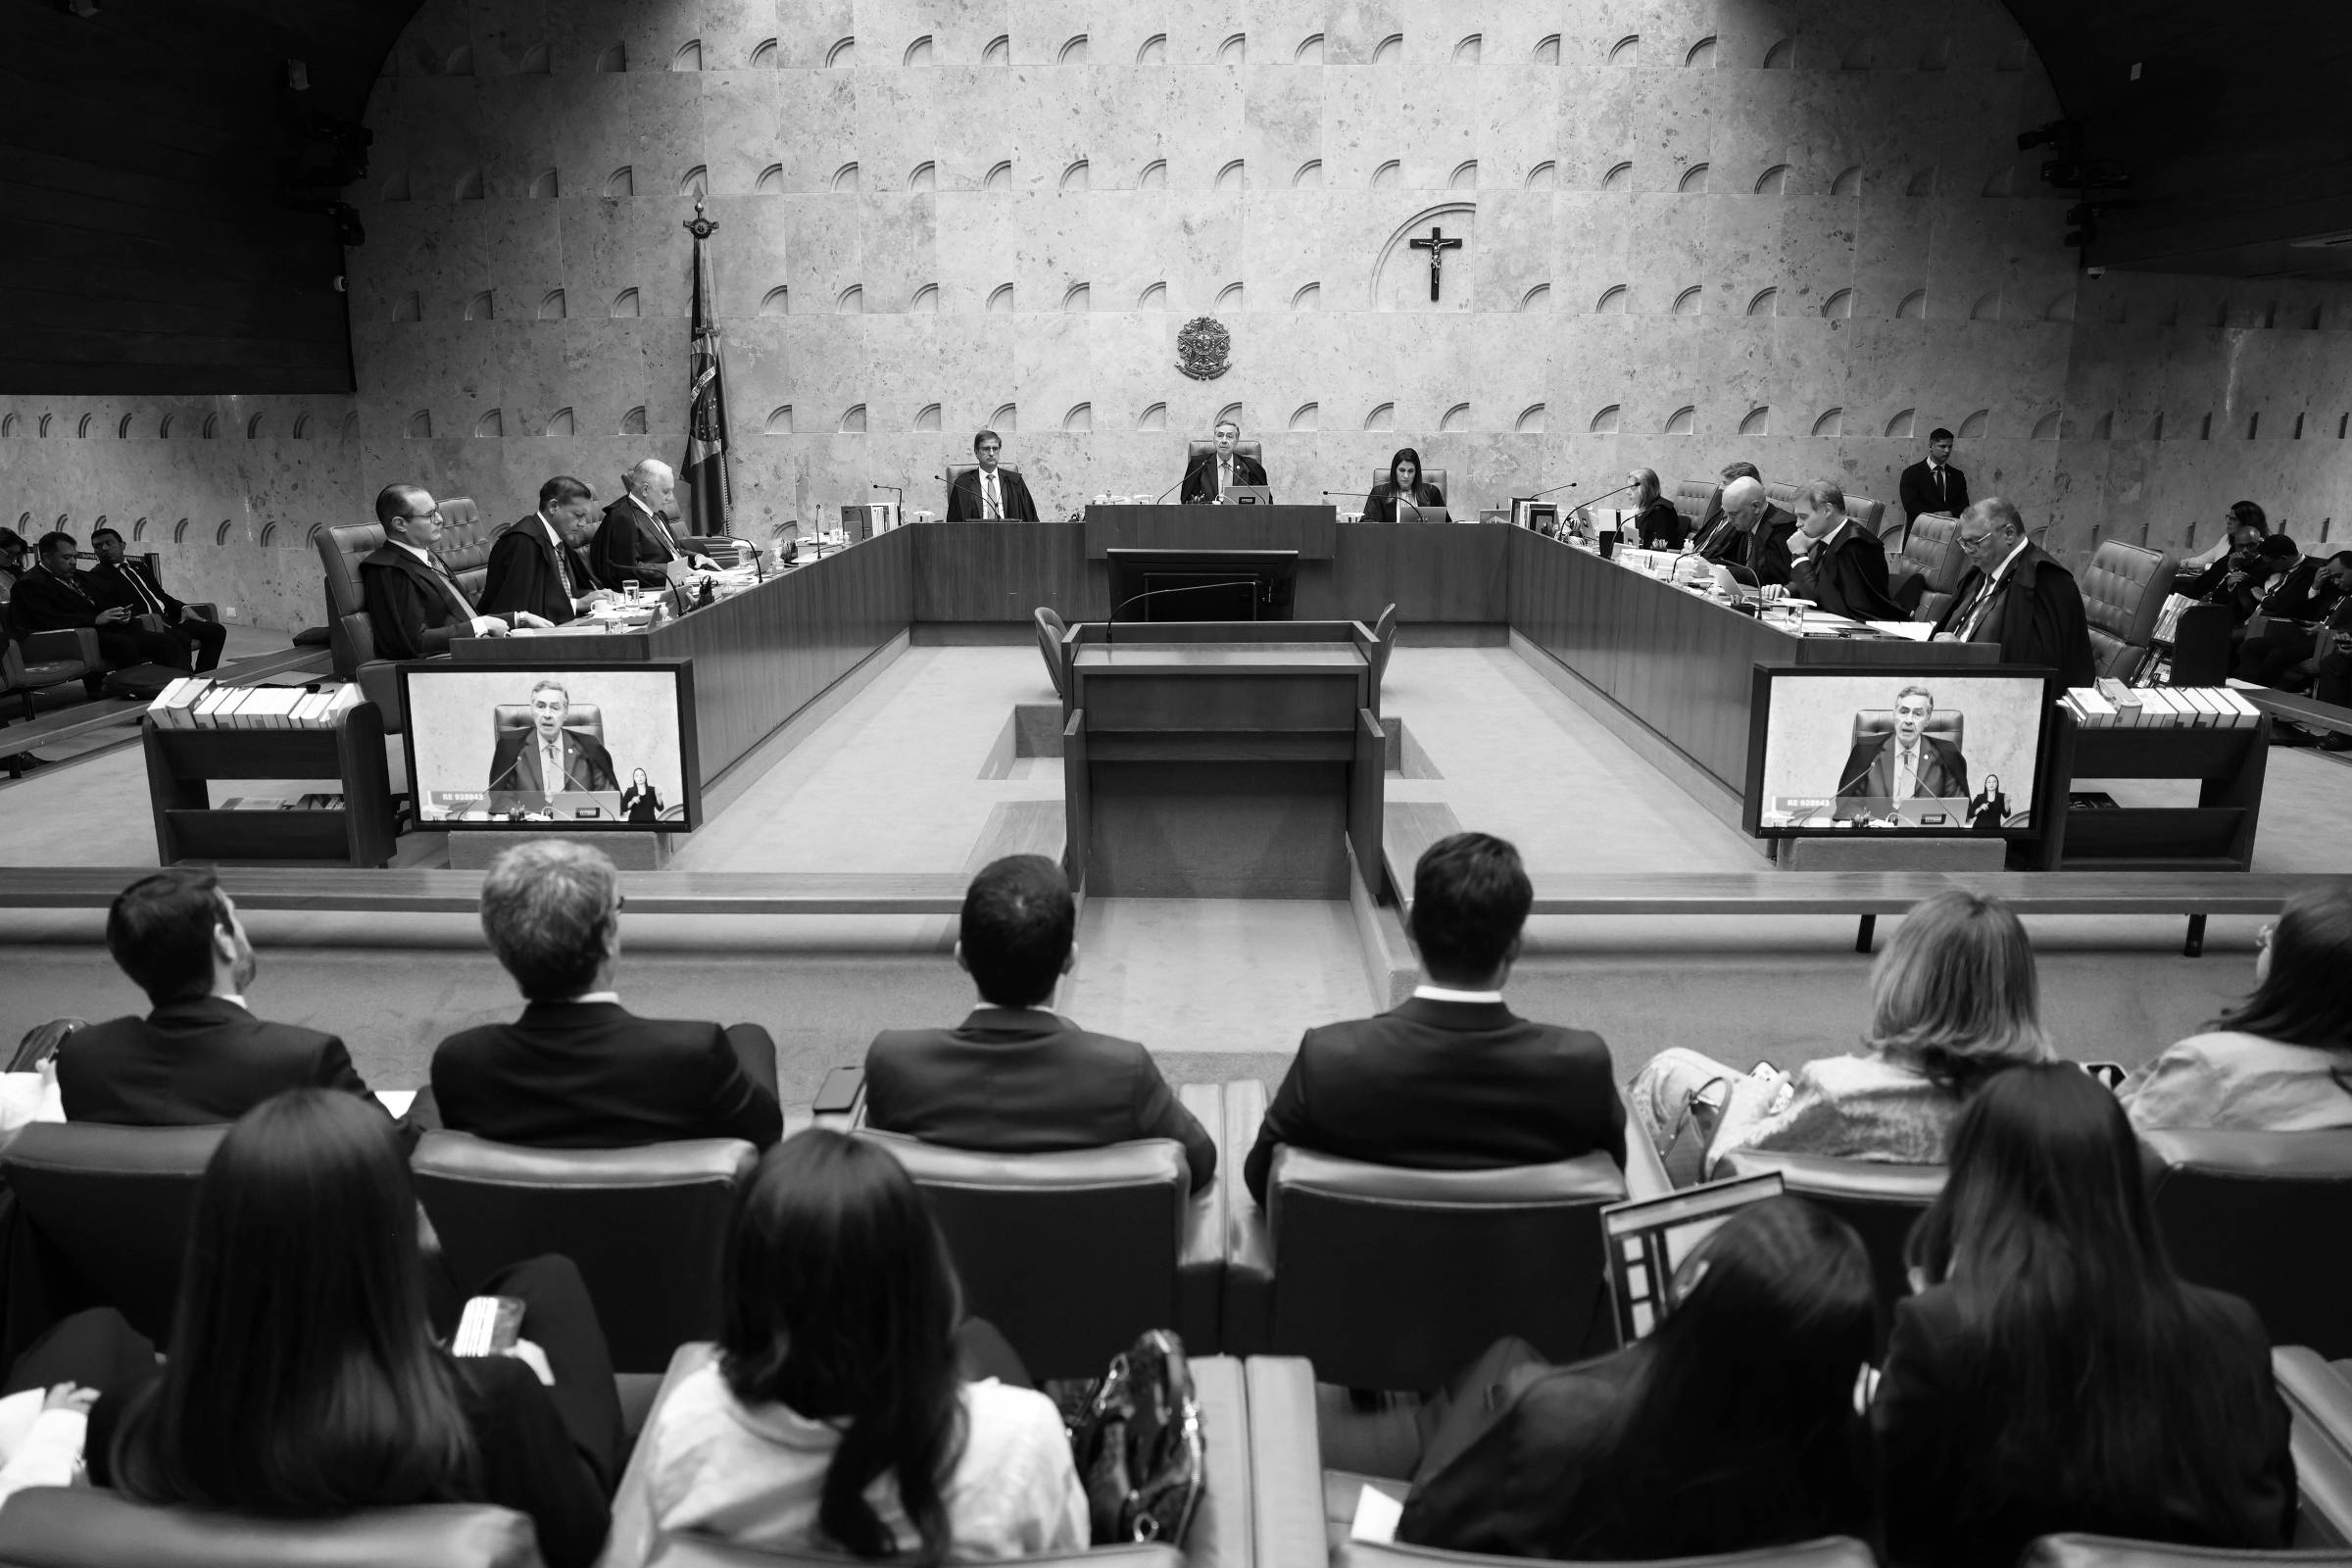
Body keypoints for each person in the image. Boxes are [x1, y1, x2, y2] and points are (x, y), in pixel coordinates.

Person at [86, 1091, 622, 1568]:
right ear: (390, 1249)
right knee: (549, 1278)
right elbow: (578, 1540)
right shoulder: (495, 1402)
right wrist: (540, 1395)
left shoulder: (126, 1420)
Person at [1873, 1063, 2294, 1567]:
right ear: (2123, 1179)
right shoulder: (2235, 1328)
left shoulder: (1940, 1329)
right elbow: (2274, 1519)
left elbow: (1891, 1523)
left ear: (1976, 1181)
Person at [617, 1130, 1087, 1565]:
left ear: (744, 1289)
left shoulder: (687, 1430)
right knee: (980, 1337)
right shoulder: (1022, 1439)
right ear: (924, 1278)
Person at [1397, 1197, 1876, 1559]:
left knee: (1502, 1365)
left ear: (1690, 1291)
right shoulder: (1852, 1474)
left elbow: (1420, 1534)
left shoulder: (1550, 1416)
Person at [1244, 831, 1626, 1204]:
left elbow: (1261, 1182)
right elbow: (1612, 1184)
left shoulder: (1327, 1058)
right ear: (1515, 946)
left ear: (1410, 927)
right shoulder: (1581, 1066)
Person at [1628, 891, 2052, 1178]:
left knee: (1667, 1073)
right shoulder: (2057, 1100)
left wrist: (1752, 1105)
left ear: (1904, 980)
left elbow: (1730, 1164)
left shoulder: (1843, 1094)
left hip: (1795, 1256)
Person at [864, 855, 1215, 1191]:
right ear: (1070, 959)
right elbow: (1200, 1162)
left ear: (960, 957)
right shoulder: (1123, 1071)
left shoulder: (893, 1062)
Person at [431, 840, 783, 1149]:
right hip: (663, 1225)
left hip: (526, 1226)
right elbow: (765, 1135)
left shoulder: (460, 1063)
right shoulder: (694, 1052)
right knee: (750, 1037)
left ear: (499, 945)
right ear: (607, 938)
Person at [55, 869, 375, 1125]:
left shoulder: (81, 1057)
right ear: (223, 941)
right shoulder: (306, 1058)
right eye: (235, 917)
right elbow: (398, 1148)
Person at [2126, 882, 2352, 1132]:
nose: (2263, 939)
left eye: (2270, 938)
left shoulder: (2211, 1066)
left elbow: (2125, 1146)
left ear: (2293, 973)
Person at [1930, 498, 2095, 688]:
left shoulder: (2047, 581)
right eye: (1964, 542)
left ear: (2008, 533)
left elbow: (2038, 667)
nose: (1967, 551)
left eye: (1975, 542)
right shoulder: (1981, 569)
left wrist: (1965, 655)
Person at [362, 486, 538, 661]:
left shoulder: (428, 557)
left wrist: (518, 618)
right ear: (400, 524)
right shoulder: (389, 569)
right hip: (447, 669)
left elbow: (460, 617)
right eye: (429, 515)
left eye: (436, 511)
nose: (439, 520)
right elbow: (413, 642)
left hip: (478, 652)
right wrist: (482, 625)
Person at [7, 531, 190, 669]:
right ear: (46, 557)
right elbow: (48, 620)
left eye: (75, 557)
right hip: (73, 636)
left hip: (105, 630)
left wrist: (119, 614)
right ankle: (137, 696)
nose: (73, 562)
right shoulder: (29, 584)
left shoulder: (80, 577)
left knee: (166, 641)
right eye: (66, 557)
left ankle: (182, 692)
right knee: (124, 645)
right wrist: (95, 619)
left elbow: (105, 600)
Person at [85, 526, 226, 673]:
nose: (104, 548)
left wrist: (183, 608)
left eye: (109, 543)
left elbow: (160, 595)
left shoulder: (139, 566)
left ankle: (204, 675)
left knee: (216, 631)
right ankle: (184, 680)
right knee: (180, 637)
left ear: (122, 545)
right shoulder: (97, 577)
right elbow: (114, 609)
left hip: (169, 618)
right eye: (98, 546)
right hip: (144, 624)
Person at [480, 476, 615, 626]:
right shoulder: (522, 543)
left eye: (585, 516)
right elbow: (520, 610)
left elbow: (564, 591)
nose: (583, 523)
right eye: (578, 515)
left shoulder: (559, 537)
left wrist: (595, 596)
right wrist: (577, 604)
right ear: (553, 506)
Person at [1834, 685, 1969, 813]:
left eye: (1917, 714)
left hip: (1925, 836)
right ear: (1894, 714)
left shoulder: (1946, 754)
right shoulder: (1866, 752)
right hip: (1877, 835)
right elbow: (1846, 806)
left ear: (1927, 719)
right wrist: (1873, 824)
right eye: (1903, 712)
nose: (1908, 720)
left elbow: (1958, 810)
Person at [1788, 479, 1905, 621]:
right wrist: (1786, 591)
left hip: (1867, 633)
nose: (1798, 524)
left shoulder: (1853, 545)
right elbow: (1818, 582)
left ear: (1827, 510)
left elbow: (1819, 602)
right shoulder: (1828, 537)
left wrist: (1800, 555)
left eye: (1803, 517)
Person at [591, 459, 716, 590]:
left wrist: (695, 557)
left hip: (680, 584)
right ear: (645, 489)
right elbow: (627, 569)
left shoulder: (657, 513)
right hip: (653, 592)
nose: (671, 498)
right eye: (666, 491)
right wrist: (673, 571)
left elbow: (671, 551)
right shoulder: (623, 517)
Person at [486, 678, 622, 796]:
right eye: (540, 706)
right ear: (531, 710)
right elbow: (501, 801)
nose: (547, 714)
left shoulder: (589, 747)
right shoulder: (511, 748)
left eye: (555, 708)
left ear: (566, 712)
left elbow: (608, 799)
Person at [1700, 477, 1798, 590]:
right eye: (1726, 513)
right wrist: (1708, 564)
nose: (1728, 520)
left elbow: (1767, 579)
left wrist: (1713, 569)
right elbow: (1736, 563)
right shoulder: (1748, 521)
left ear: (1755, 507)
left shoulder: (1782, 529)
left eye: (1733, 514)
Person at [944, 430, 1039, 521]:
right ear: (976, 452)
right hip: (974, 535)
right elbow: (953, 523)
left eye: (995, 448)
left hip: (1010, 535)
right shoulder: (963, 484)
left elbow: (1032, 519)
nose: (991, 453)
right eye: (986, 449)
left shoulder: (1015, 481)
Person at [1178, 418, 1267, 504]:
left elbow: (1265, 501)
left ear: (1236, 441)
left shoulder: (1251, 466)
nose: (1224, 440)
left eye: (1229, 436)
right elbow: (1186, 500)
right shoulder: (1198, 466)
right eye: (1220, 436)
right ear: (1214, 440)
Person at [2178, 500, 2271, 576]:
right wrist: (2178, 564)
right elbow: (2200, 561)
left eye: (2233, 519)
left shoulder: (2261, 549)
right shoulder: (2226, 539)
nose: (2229, 522)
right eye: (2229, 518)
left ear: (2247, 522)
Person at [1897, 427, 1969, 524]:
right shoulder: (1911, 473)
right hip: (1921, 533)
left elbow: (1965, 506)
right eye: (1942, 446)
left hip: (1950, 532)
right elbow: (1910, 505)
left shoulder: (1957, 475)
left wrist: (1950, 513)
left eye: (1950, 446)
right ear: (1930, 446)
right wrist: (1936, 517)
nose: (1947, 451)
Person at [1362, 447, 1447, 523]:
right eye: (1402, 470)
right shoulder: (1379, 492)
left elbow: (1447, 524)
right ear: (1394, 471)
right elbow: (1366, 523)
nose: (1406, 476)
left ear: (1416, 472)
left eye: (1410, 471)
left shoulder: (1432, 492)